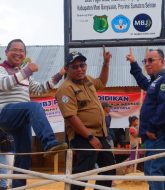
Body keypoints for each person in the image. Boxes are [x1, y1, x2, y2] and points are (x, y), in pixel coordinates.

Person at [0, 39, 68, 188]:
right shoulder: (1, 69)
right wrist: (27, 70)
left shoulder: (24, 74)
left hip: (21, 118)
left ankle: (18, 187)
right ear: (6, 52)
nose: (18, 53)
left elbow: (40, 89)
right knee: (33, 107)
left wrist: (59, 74)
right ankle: (50, 142)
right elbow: (3, 84)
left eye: (21, 51)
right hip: (5, 113)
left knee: (24, 156)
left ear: (25, 54)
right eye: (15, 50)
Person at [55, 48, 116, 190]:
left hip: (100, 134)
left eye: (82, 65)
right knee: (84, 170)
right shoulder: (65, 88)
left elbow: (101, 82)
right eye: (74, 66)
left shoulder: (87, 80)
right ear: (67, 69)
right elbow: (71, 116)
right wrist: (89, 137)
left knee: (109, 168)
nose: (79, 69)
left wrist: (106, 63)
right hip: (82, 136)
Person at [126, 48, 165, 190]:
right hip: (154, 135)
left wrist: (151, 128)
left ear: (162, 61)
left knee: (152, 169)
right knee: (160, 171)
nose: (147, 64)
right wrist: (134, 64)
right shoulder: (155, 81)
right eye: (145, 61)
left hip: (160, 134)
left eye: (151, 60)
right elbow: (143, 81)